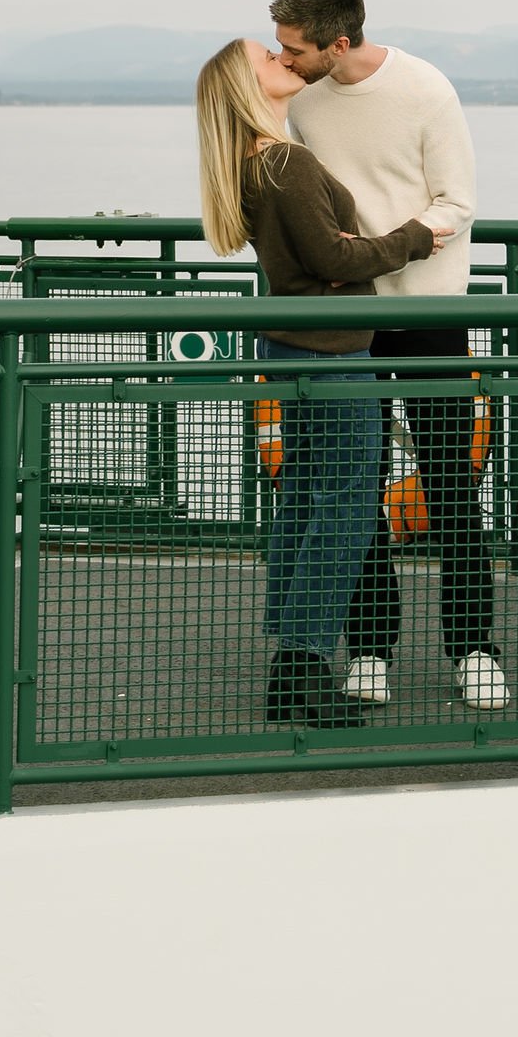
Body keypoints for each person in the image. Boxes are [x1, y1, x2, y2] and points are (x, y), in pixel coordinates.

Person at [270, 0, 508, 712]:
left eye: (295, 49)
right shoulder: (296, 98)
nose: (284, 61)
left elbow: (457, 203)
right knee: (354, 492)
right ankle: (370, 646)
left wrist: (382, 248)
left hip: (431, 315)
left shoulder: (426, 89)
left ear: (338, 43)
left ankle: (474, 647)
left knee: (451, 485)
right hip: (345, 319)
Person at [194, 37, 444, 731]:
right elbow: (334, 256)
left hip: (290, 346)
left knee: (304, 502)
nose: (285, 59)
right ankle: (303, 665)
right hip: (333, 353)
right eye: (269, 58)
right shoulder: (287, 164)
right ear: (251, 88)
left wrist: (349, 259)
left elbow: (316, 258)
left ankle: (292, 673)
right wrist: (417, 237)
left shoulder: (249, 167)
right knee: (345, 509)